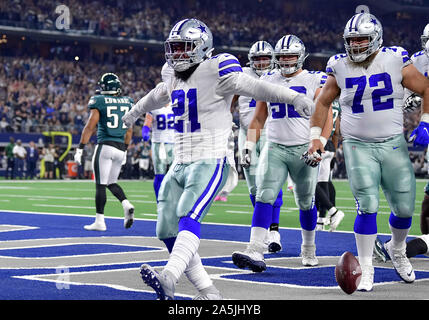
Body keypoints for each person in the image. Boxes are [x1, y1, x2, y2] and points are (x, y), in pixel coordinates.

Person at [121, 18, 315, 300]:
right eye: (173, 48)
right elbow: (158, 95)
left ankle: (169, 277)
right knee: (164, 227)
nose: (176, 54)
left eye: (183, 47)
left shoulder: (218, 68)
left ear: (202, 47)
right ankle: (208, 291)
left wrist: (293, 98)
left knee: (188, 214)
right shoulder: (171, 74)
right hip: (180, 160)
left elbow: (257, 88)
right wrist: (133, 113)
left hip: (210, 158)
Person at [306, 13, 429, 291]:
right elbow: (323, 102)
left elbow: (425, 87)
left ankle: (397, 249)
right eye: (352, 40)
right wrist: (316, 138)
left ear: (375, 38)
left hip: (393, 143)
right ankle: (366, 267)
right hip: (357, 145)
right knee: (367, 205)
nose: (356, 45)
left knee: (404, 208)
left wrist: (425, 122)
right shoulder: (339, 65)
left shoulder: (396, 58)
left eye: (362, 39)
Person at [231, 34, 332, 272]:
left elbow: (326, 115)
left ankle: (308, 247)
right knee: (264, 195)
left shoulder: (313, 79)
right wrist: (247, 146)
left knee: (306, 201)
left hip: (303, 149)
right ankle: (255, 248)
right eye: (282, 56)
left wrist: (320, 142)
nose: (286, 60)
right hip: (274, 146)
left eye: (290, 56)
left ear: (301, 56)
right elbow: (258, 118)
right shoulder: (268, 78)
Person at [373, 23, 429, 263]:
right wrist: (410, 98)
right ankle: (420, 245)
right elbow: (404, 84)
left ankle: (402, 248)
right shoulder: (418, 60)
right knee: (427, 206)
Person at [229, 40, 284, 253]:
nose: (261, 63)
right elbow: (229, 99)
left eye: (265, 59)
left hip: (271, 133)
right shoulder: (241, 76)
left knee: (271, 182)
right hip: (246, 133)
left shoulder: (279, 76)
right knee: (253, 185)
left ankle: (273, 230)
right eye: (257, 59)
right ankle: (265, 228)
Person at [74, 73, 135, 231]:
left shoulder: (99, 101)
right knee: (111, 183)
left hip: (105, 146)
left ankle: (100, 221)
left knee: (100, 185)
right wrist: (126, 150)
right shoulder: (127, 102)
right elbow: (129, 131)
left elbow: (90, 126)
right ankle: (126, 204)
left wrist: (80, 148)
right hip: (120, 147)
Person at [315, 99, 345, 232]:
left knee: (311, 184)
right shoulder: (336, 103)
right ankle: (321, 221)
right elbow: (337, 131)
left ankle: (333, 211)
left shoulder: (320, 97)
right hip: (330, 146)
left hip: (319, 143)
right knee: (324, 183)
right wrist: (334, 149)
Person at [141, 106, 175, 200]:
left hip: (175, 143)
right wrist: (145, 133)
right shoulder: (154, 106)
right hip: (160, 143)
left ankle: (174, 199)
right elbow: (147, 123)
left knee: (177, 174)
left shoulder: (177, 103)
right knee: (160, 174)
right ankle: (160, 201)